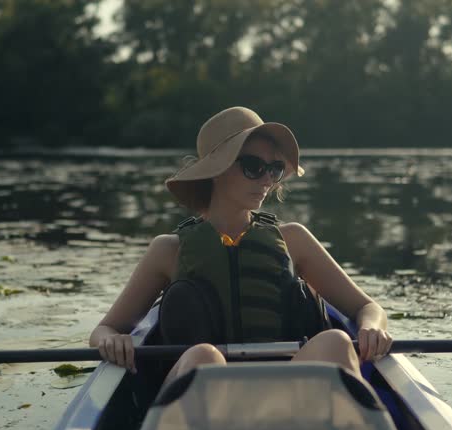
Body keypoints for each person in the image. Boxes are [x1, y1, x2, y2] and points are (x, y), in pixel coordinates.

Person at [89, 106, 392, 383]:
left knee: (336, 342)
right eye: (252, 166)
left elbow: (366, 306)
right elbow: (105, 330)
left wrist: (371, 326)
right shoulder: (168, 250)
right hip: (201, 407)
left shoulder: (294, 239)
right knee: (202, 356)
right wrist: (111, 340)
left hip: (285, 394)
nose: (267, 180)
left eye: (273, 169)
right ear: (216, 170)